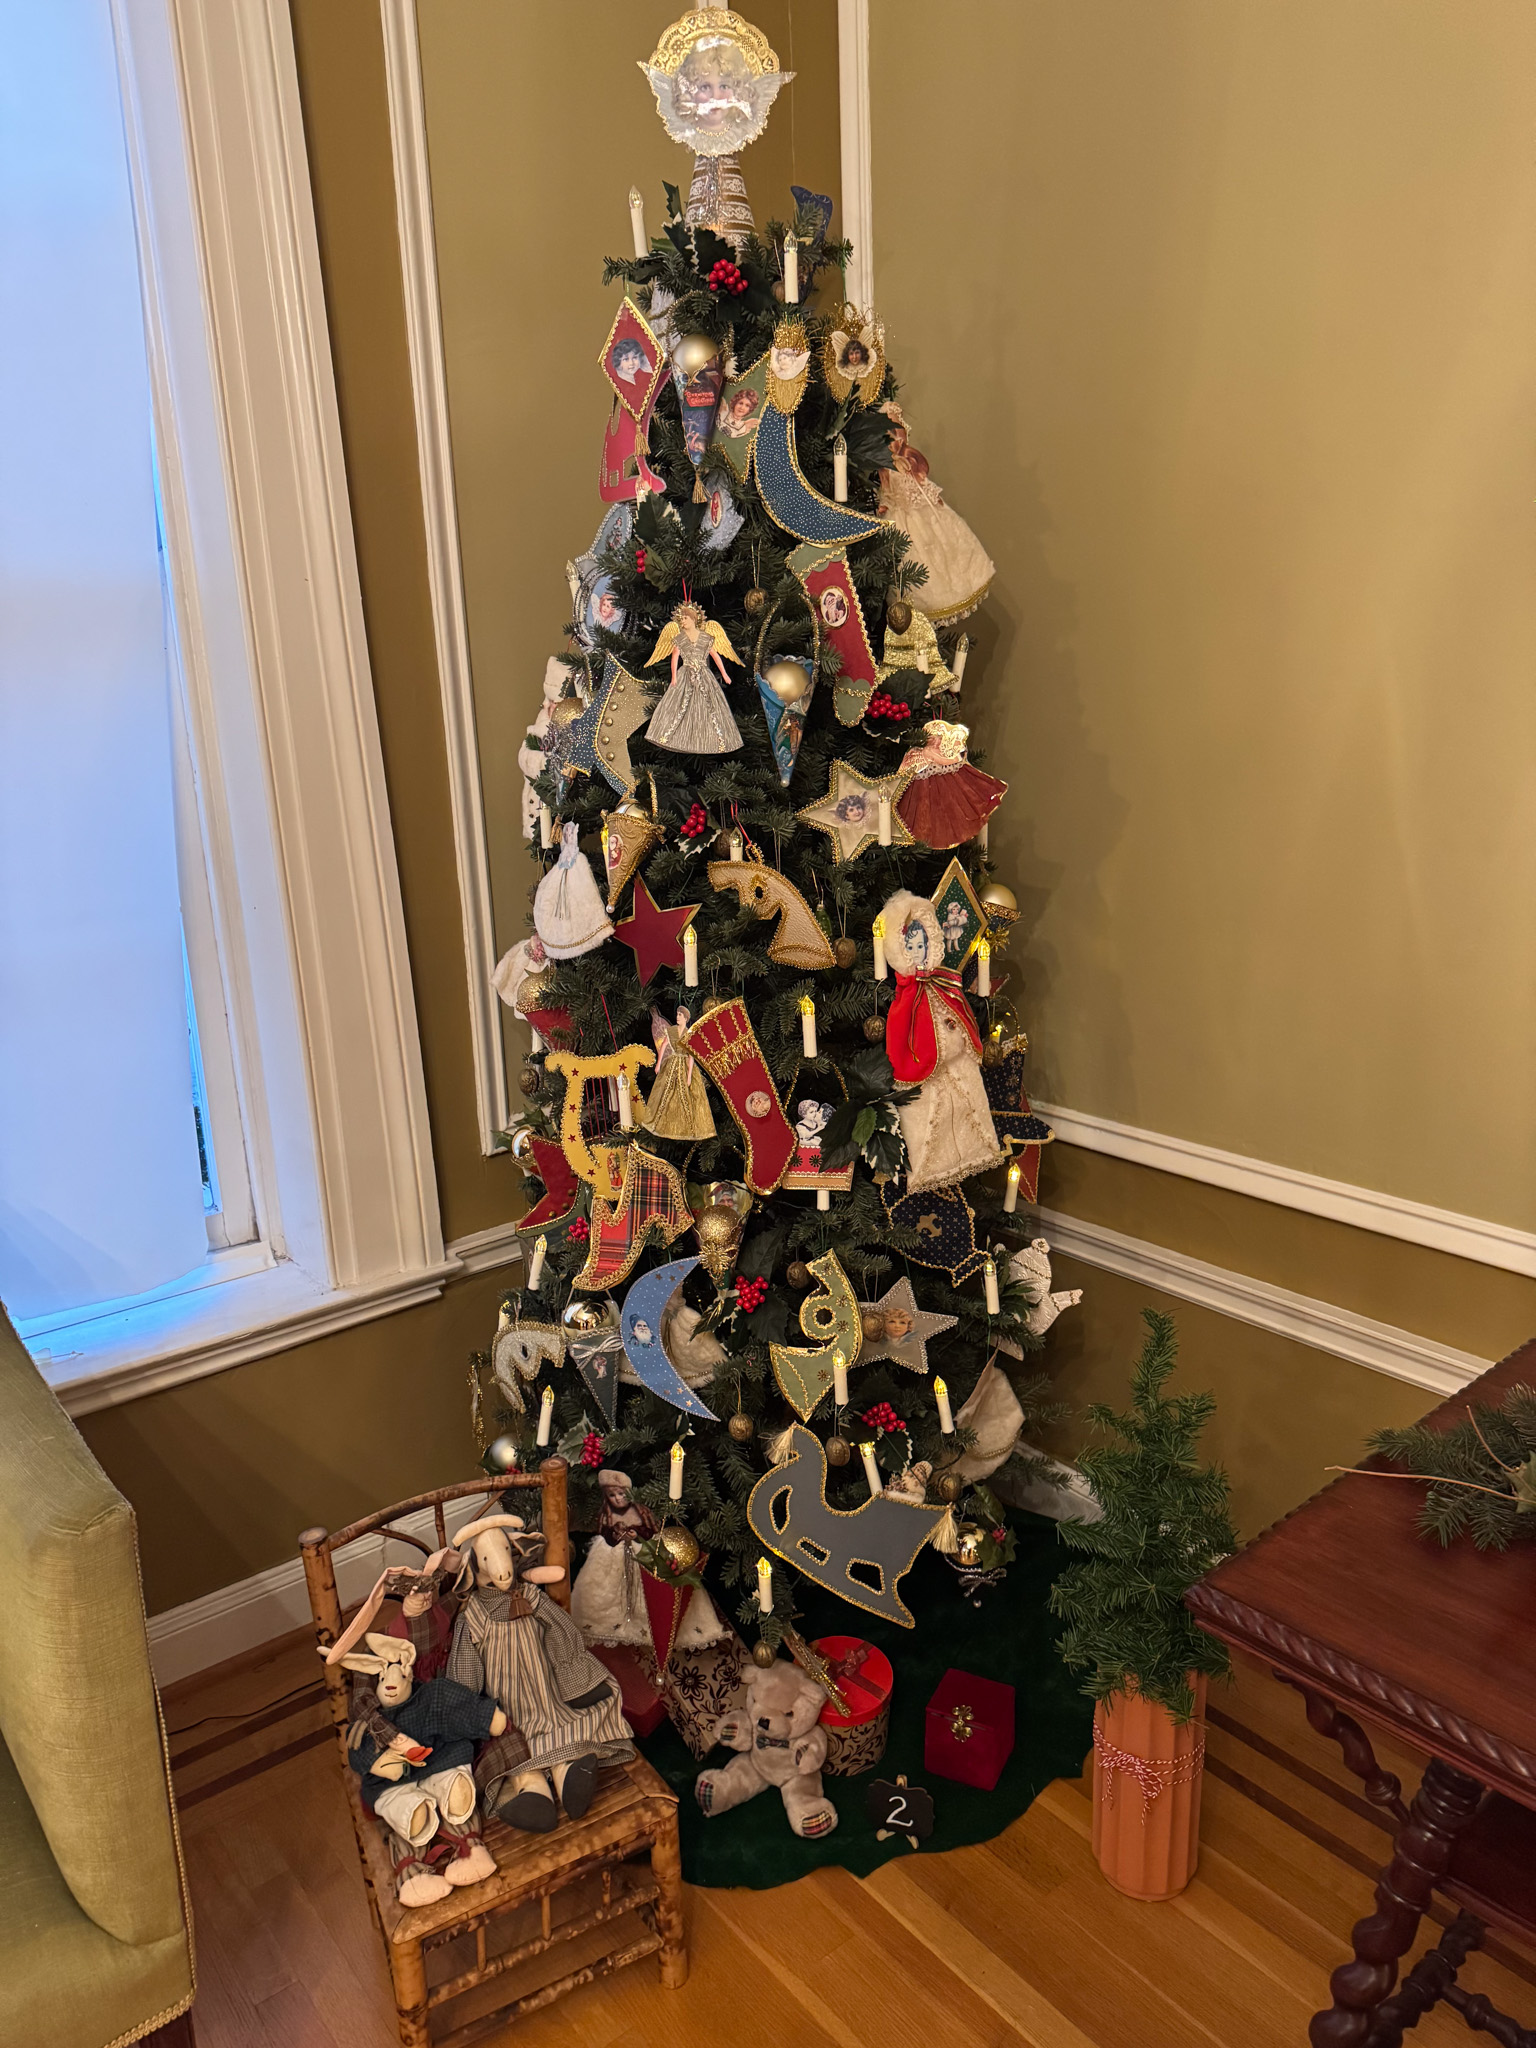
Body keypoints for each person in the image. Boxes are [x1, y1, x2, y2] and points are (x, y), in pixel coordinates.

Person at [877, 401, 995, 622]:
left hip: (919, 506)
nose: (896, 438)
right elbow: (887, 490)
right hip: (900, 513)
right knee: (913, 557)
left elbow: (918, 484)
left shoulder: (906, 460)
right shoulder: (886, 464)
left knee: (943, 549)